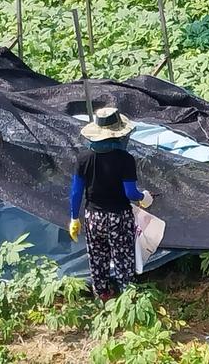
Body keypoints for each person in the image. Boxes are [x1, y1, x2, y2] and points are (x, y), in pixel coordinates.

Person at [69, 107, 153, 301]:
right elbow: (130, 192)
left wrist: (74, 218)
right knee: (123, 258)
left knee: (97, 258)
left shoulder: (83, 158)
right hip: (118, 217)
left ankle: (103, 295)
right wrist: (144, 197)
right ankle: (127, 298)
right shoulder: (125, 160)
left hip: (93, 217)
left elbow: (75, 192)